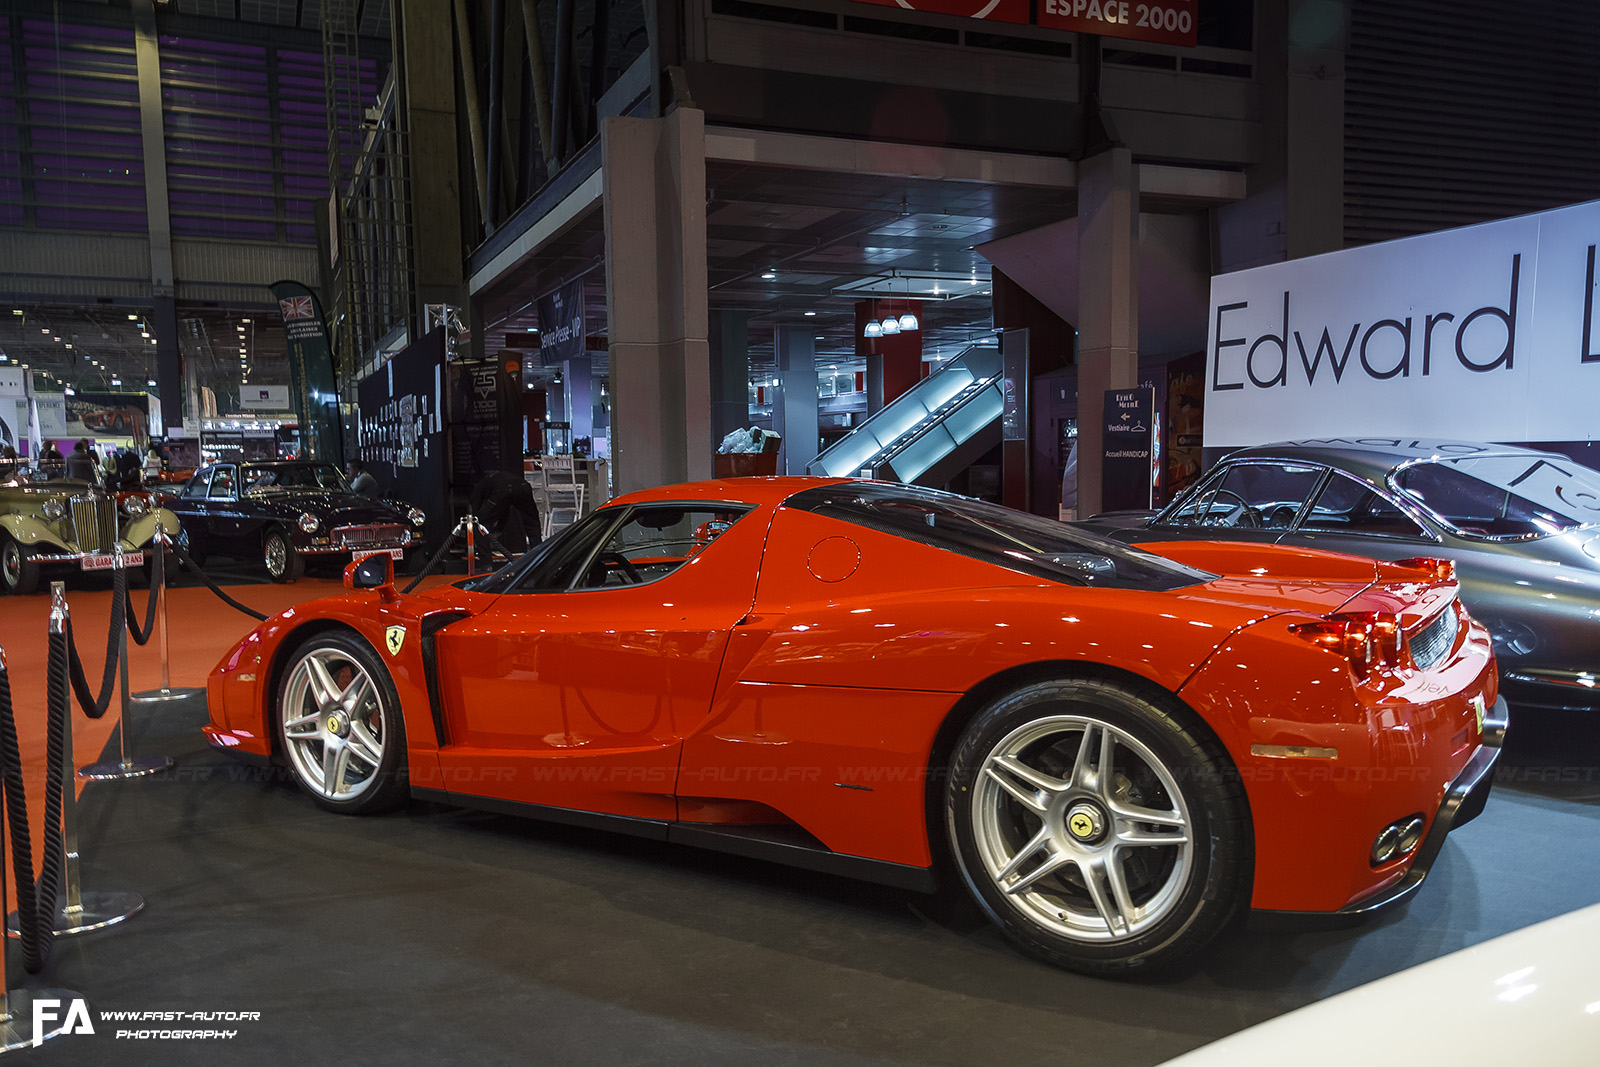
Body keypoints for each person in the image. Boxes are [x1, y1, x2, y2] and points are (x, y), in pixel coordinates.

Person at [469, 469, 543, 554]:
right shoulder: (494, 480)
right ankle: (538, 555)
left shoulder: (479, 488)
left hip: (504, 488)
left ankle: (485, 561)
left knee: (480, 525)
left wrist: (475, 526)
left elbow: (476, 513)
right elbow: (504, 511)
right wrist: (499, 529)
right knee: (532, 523)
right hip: (524, 486)